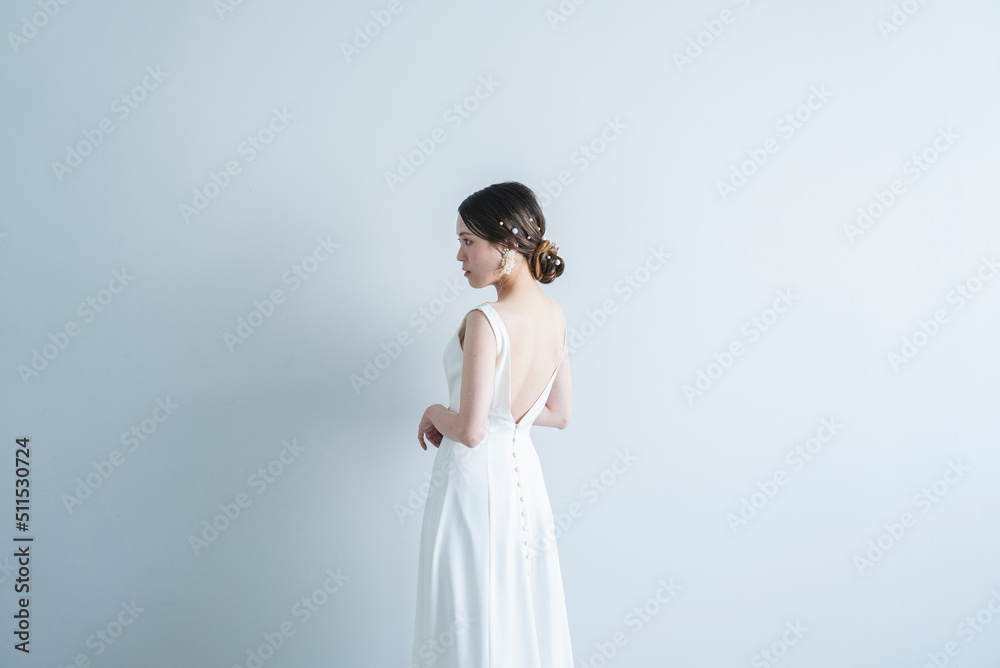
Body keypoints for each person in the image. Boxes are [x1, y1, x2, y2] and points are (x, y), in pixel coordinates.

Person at [411, 181, 575, 667]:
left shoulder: (486, 319)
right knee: (519, 606)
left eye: (468, 242)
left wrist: (433, 412)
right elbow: (559, 414)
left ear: (505, 244)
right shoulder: (555, 316)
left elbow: (472, 430)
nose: (459, 256)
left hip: (473, 485)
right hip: (525, 481)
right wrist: (508, 419)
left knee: (466, 609)